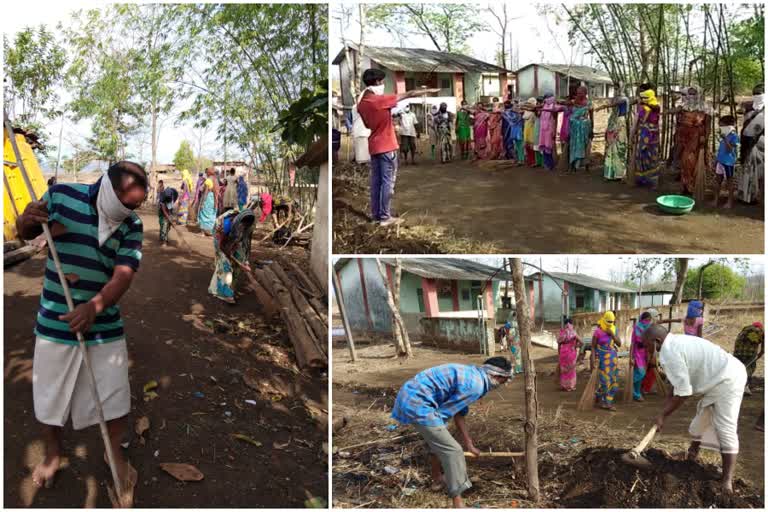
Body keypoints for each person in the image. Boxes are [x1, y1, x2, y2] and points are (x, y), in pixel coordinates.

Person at [16, 161, 147, 506]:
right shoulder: (61, 196)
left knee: (115, 397)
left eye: (136, 207)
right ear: (109, 190)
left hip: (104, 326)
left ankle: (115, 455)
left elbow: (123, 275)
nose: (132, 212)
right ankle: (53, 454)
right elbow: (27, 233)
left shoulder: (131, 224)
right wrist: (27, 222)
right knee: (49, 397)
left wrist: (95, 307)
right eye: (127, 204)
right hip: (55, 322)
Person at [391, 358, 513, 508]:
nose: (502, 385)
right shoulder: (475, 386)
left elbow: (459, 413)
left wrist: (468, 443)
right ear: (496, 376)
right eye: (504, 381)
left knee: (440, 439)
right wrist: (441, 436)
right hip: (417, 402)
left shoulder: (474, 375)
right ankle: (458, 502)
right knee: (454, 451)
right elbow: (443, 415)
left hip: (411, 394)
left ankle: (437, 479)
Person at [642, 324, 747, 494]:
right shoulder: (674, 342)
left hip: (729, 379)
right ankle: (692, 453)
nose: (645, 348)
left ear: (656, 341)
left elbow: (683, 393)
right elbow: (675, 385)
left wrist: (663, 415)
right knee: (703, 416)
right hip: (719, 377)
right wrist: (664, 411)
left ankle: (727, 481)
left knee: (725, 427)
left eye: (645, 344)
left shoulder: (670, 353)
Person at [356, 68, 421, 226]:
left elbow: (367, 124)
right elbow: (408, 94)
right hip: (386, 146)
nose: (384, 84)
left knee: (376, 182)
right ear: (377, 82)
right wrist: (427, 91)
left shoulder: (362, 104)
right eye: (382, 81)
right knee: (387, 182)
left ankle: (376, 215)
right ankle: (385, 217)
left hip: (374, 146)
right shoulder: (380, 100)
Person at [208, 209, 255, 304]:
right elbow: (223, 248)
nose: (243, 227)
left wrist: (245, 260)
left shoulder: (249, 226)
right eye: (242, 225)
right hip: (221, 238)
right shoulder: (226, 225)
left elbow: (246, 243)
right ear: (238, 222)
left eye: (245, 226)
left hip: (234, 237)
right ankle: (222, 292)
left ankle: (231, 287)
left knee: (240, 257)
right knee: (225, 265)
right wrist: (237, 262)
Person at [674, 87, 712, 195]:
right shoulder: (683, 106)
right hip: (683, 137)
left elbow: (708, 125)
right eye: (689, 94)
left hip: (696, 137)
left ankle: (693, 186)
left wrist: (705, 137)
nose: (691, 96)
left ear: (699, 94)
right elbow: (678, 122)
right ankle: (685, 186)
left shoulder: (705, 107)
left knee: (691, 160)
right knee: (684, 161)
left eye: (693, 94)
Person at [738, 83, 764, 204]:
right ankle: (745, 196)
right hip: (747, 142)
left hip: (761, 143)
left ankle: (758, 196)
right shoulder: (748, 107)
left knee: (759, 169)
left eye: (760, 93)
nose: (757, 95)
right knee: (747, 168)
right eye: (755, 93)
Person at [633, 84, 662, 188]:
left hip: (651, 135)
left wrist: (644, 103)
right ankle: (642, 179)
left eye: (645, 97)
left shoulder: (655, 106)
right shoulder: (643, 107)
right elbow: (638, 121)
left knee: (651, 156)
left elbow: (655, 108)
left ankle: (652, 180)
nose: (643, 99)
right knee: (641, 155)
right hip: (643, 133)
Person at [592, 311, 621, 411]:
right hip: (602, 359)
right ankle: (606, 403)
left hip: (613, 360)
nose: (609, 323)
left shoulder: (614, 329)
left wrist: (612, 334)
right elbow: (593, 347)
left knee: (613, 381)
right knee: (604, 381)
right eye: (608, 321)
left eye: (611, 322)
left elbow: (619, 343)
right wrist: (593, 360)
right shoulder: (598, 331)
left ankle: (603, 398)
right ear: (604, 320)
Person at [599, 92, 630, 180]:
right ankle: (613, 173)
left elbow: (616, 103)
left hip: (620, 124)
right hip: (616, 124)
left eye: (618, 88)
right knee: (613, 148)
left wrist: (604, 106)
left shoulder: (624, 99)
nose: (617, 91)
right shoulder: (614, 116)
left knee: (619, 147)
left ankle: (618, 173)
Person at [712, 115, 739, 208]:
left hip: (728, 163)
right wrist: (716, 160)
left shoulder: (734, 136)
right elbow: (721, 149)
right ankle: (715, 200)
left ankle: (729, 202)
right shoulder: (725, 136)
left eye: (722, 125)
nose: (720, 127)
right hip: (720, 161)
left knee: (729, 182)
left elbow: (730, 150)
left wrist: (725, 139)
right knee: (718, 181)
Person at [733, 322, 764, 396]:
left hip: (737, 352)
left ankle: (733, 386)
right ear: (760, 327)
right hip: (749, 353)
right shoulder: (761, 331)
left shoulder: (744, 330)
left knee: (737, 369)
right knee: (749, 369)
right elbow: (763, 349)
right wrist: (758, 356)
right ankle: (744, 388)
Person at [630, 311, 656, 401]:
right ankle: (631, 386)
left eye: (649, 320)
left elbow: (651, 343)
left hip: (645, 353)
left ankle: (636, 393)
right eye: (646, 320)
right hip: (637, 352)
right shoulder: (636, 328)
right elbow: (632, 343)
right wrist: (631, 357)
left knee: (642, 374)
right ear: (642, 319)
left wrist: (650, 355)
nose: (647, 322)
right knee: (641, 373)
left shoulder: (649, 329)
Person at [538, 93, 565, 170]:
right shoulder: (544, 106)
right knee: (544, 147)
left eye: (547, 98)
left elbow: (561, 109)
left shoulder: (554, 106)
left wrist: (553, 131)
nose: (546, 99)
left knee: (550, 147)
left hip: (550, 130)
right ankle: (547, 164)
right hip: (543, 130)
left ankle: (551, 164)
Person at [569, 86, 592, 171]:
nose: (578, 94)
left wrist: (592, 129)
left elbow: (591, 116)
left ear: (585, 93)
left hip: (584, 128)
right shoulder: (574, 102)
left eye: (580, 93)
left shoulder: (589, 103)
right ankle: (573, 165)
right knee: (574, 145)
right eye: (577, 93)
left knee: (586, 145)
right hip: (574, 128)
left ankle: (586, 166)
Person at [558, 318, 582, 391]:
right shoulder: (573, 333)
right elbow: (581, 342)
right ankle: (571, 386)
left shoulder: (562, 333)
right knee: (571, 370)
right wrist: (575, 346)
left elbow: (559, 344)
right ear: (572, 324)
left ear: (565, 324)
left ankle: (564, 386)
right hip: (571, 353)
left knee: (563, 370)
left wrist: (559, 354)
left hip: (563, 353)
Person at [197, 168, 218, 235]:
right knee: (211, 214)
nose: (206, 174)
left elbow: (205, 192)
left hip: (207, 199)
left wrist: (202, 203)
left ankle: (202, 232)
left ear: (209, 173)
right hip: (213, 199)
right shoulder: (215, 180)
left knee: (203, 213)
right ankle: (210, 232)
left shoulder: (208, 180)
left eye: (207, 173)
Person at [522, 98, 537, 166]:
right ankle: (530, 160)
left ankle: (533, 161)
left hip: (532, 129)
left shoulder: (534, 111)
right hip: (527, 128)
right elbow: (524, 117)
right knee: (527, 146)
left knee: (532, 146)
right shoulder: (527, 111)